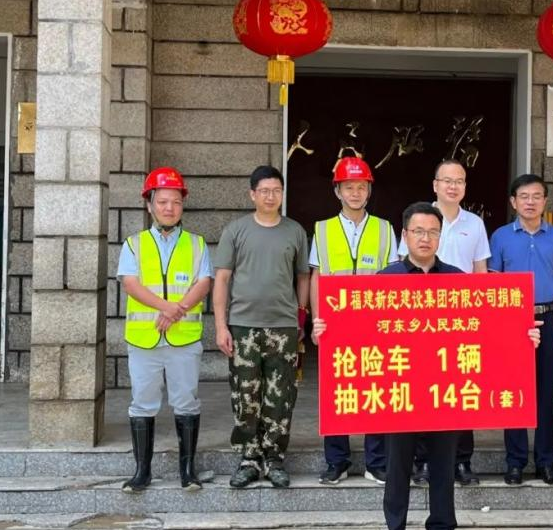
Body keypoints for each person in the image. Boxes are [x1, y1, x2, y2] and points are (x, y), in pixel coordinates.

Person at [312, 202, 542, 530]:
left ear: (440, 236)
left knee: (443, 468)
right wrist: (328, 329)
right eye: (418, 231)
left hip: (444, 393)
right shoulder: (385, 280)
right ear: (405, 236)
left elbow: (486, 330)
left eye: (433, 232)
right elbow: (360, 331)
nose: (425, 238)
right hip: (400, 391)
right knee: (397, 468)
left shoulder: (456, 279)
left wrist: (522, 335)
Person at [117, 167, 213, 493]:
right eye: (162, 202)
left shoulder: (197, 244)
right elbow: (131, 284)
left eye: (175, 201)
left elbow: (204, 282)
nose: (169, 208)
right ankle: (141, 471)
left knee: (186, 401)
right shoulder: (134, 244)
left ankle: (188, 471)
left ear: (182, 204)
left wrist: (178, 310)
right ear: (149, 205)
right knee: (142, 403)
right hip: (144, 339)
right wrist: (166, 307)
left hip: (183, 339)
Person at [214, 165, 310, 489]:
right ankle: (249, 458)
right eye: (265, 191)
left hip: (283, 327)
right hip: (243, 327)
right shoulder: (236, 231)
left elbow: (303, 276)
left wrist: (300, 316)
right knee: (245, 395)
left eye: (276, 191)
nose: (271, 197)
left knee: (281, 395)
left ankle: (274, 458)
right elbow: (222, 279)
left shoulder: (295, 231)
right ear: (252, 194)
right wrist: (221, 326)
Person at [399, 159, 490, 487]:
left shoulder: (475, 224)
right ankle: (423, 460)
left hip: (459, 322)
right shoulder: (419, 219)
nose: (453, 186)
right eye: (447, 180)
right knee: (424, 390)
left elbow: (480, 274)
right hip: (421, 324)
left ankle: (462, 460)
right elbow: (404, 268)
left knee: (461, 390)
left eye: (459, 181)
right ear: (435, 184)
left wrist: (481, 319)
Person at [310, 156, 398, 485]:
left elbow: (394, 278)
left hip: (375, 324)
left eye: (361, 187)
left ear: (369, 191)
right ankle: (337, 461)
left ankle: (377, 462)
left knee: (375, 391)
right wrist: (316, 320)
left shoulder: (384, 229)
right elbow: (317, 278)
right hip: (335, 324)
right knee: (337, 394)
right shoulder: (322, 229)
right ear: (338, 191)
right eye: (349, 187)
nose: (356, 193)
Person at [489, 173, 553, 485]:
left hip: (550, 316)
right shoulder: (500, 236)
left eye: (536, 196)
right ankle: (515, 462)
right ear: (513, 202)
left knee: (545, 391)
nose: (530, 202)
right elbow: (494, 280)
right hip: (513, 319)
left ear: (545, 201)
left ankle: (545, 462)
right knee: (513, 391)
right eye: (524, 197)